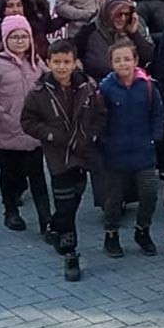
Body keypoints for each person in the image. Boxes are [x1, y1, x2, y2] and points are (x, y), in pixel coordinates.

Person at [22, 38, 107, 282]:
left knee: (77, 194)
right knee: (65, 203)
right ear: (48, 63)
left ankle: (54, 226)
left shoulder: (88, 87)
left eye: (66, 62)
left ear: (74, 63)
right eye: (56, 62)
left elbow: (101, 114)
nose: (61, 67)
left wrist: (91, 134)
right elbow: (27, 121)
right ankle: (71, 254)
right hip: (58, 155)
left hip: (82, 152)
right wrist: (49, 134)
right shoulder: (39, 92)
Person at [0, 15, 50, 234]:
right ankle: (10, 211)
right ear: (5, 39)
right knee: (10, 176)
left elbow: (51, 82)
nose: (19, 41)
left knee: (37, 178)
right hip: (8, 133)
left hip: (33, 133)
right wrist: (0, 115)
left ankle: (46, 219)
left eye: (24, 36)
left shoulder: (36, 63)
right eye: (14, 37)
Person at [95, 40, 164, 261]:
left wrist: (155, 138)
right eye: (117, 60)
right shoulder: (105, 89)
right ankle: (111, 234)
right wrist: (103, 143)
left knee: (149, 193)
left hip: (144, 153)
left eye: (127, 59)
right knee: (114, 199)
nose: (123, 63)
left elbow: (158, 114)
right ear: (111, 63)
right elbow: (98, 118)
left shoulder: (148, 86)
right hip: (115, 154)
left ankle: (142, 230)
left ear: (135, 61)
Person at [81, 0, 158, 84]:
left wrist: (134, 34)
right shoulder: (89, 31)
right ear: (108, 13)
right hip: (100, 87)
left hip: (132, 86)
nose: (122, 19)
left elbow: (148, 57)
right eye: (118, 14)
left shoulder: (134, 30)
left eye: (126, 14)